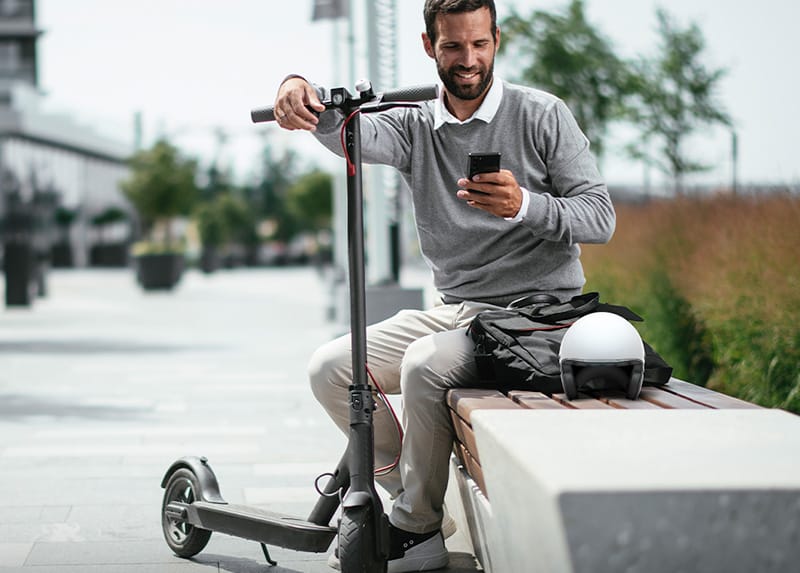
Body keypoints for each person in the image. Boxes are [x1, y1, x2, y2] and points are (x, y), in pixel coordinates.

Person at [273, 1, 615, 570]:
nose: (468, 59)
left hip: (536, 318)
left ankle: (413, 530)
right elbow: (348, 134)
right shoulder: (415, 124)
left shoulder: (542, 114)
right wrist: (297, 87)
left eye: (479, 44)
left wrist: (524, 204)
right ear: (429, 46)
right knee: (330, 368)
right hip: (457, 311)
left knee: (423, 364)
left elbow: (599, 218)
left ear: (497, 39)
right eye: (453, 46)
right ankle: (416, 505)